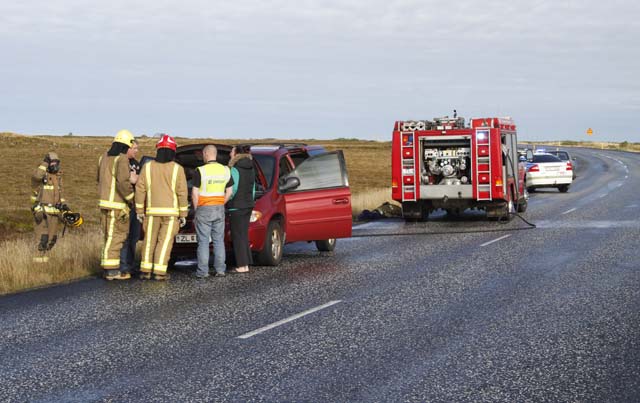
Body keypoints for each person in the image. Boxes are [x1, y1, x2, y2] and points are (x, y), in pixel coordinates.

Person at [135, 134, 188, 281]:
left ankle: (145, 271)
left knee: (149, 240)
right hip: (171, 214)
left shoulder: (147, 167)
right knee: (164, 242)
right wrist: (183, 214)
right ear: (173, 151)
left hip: (151, 212)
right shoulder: (178, 169)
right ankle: (159, 272)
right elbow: (182, 192)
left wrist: (139, 210)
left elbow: (140, 189)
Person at [97, 129, 136, 280]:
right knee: (117, 237)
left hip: (104, 204)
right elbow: (123, 183)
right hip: (118, 206)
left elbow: (98, 179)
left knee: (108, 236)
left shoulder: (103, 158)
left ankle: (108, 268)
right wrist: (131, 198)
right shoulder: (122, 159)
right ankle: (111, 270)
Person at [192, 145, 233, 279]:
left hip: (204, 207)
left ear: (205, 154)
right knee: (218, 241)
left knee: (203, 241)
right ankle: (220, 270)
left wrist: (196, 209)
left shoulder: (201, 170)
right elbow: (230, 191)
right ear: (215, 154)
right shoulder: (225, 170)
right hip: (219, 208)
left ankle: (203, 272)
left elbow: (194, 193)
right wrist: (221, 202)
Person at [31, 152, 66, 262]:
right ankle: (36, 263)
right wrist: (44, 163)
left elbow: (60, 195)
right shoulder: (41, 175)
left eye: (56, 162)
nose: (54, 165)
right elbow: (37, 176)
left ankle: (46, 263)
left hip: (54, 214)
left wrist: (64, 210)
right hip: (41, 212)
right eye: (52, 162)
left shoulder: (58, 177)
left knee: (52, 239)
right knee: (42, 239)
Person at [227, 145, 255, 273]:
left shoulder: (235, 169)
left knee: (237, 236)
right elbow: (253, 188)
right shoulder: (251, 167)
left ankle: (241, 266)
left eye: (231, 152)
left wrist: (228, 199)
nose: (229, 154)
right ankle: (247, 263)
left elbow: (233, 189)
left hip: (237, 206)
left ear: (236, 154)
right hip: (248, 204)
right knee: (243, 234)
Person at [119, 140, 141, 276]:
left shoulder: (136, 164)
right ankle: (123, 266)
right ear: (127, 149)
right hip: (124, 205)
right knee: (124, 237)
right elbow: (131, 180)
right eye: (134, 148)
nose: (136, 151)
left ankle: (131, 264)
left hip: (136, 205)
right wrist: (134, 178)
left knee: (134, 236)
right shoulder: (121, 162)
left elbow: (139, 180)